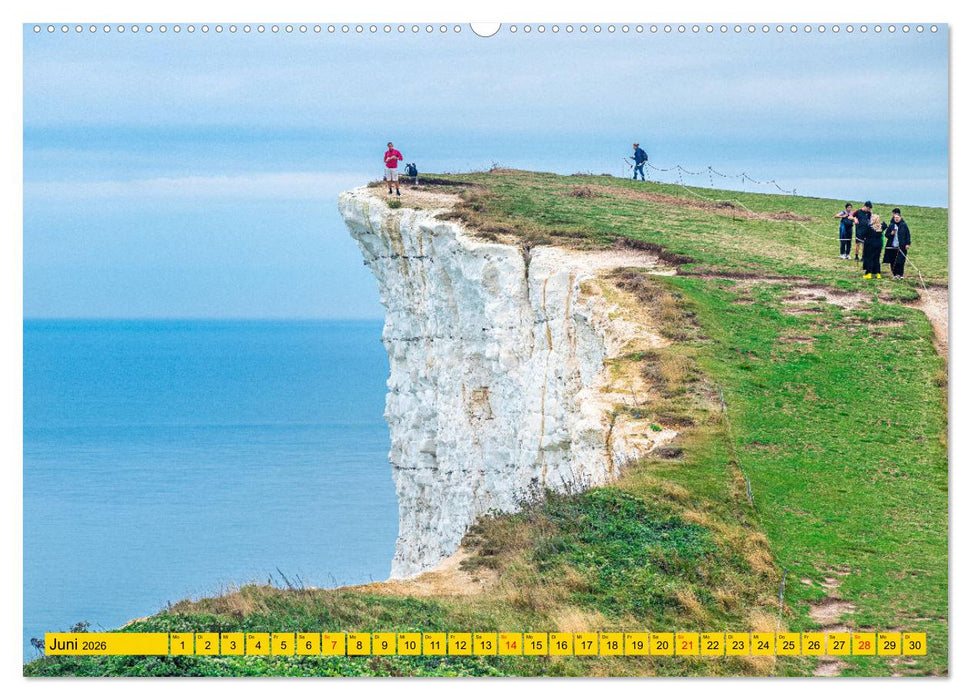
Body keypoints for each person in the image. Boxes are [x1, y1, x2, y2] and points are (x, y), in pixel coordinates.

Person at [882, 208, 912, 278]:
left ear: (900, 217)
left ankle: (900, 274)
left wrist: (908, 244)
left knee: (901, 261)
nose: (896, 219)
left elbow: (908, 235)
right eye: (895, 217)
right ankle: (895, 274)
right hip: (892, 246)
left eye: (897, 217)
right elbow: (886, 235)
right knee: (893, 261)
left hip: (901, 246)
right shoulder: (891, 225)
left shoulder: (904, 225)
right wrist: (891, 233)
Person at [862, 213, 885, 279]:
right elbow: (885, 225)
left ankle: (869, 273)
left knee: (870, 259)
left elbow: (863, 234)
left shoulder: (870, 228)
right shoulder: (881, 227)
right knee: (877, 259)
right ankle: (878, 274)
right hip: (878, 245)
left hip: (870, 245)